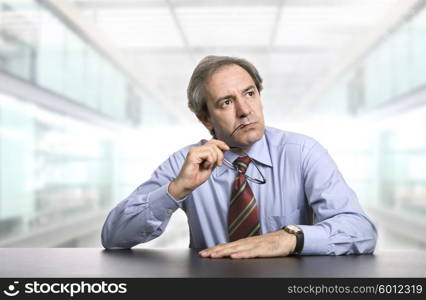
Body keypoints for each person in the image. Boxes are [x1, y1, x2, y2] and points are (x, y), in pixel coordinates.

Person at [101, 55, 377, 258]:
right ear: (205, 118)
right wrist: (176, 190)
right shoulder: (185, 163)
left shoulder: (303, 152)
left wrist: (289, 238)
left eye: (249, 93)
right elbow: (113, 237)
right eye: (227, 102)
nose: (245, 110)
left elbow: (360, 230)